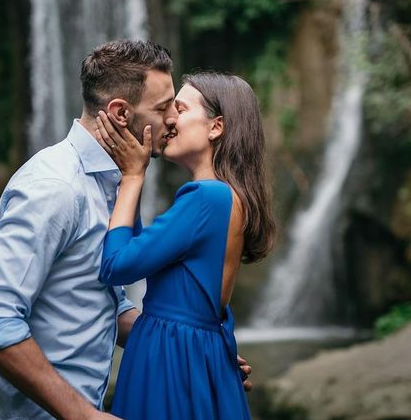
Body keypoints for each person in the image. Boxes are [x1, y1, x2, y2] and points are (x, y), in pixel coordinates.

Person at [0, 40, 178, 419]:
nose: (175, 118)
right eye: (163, 108)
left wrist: (195, 353)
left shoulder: (112, 184)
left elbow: (105, 305)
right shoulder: (56, 188)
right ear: (120, 113)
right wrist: (84, 415)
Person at [95, 72, 276, 420]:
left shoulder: (205, 198)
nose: (170, 119)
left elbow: (116, 264)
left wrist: (133, 176)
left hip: (170, 358)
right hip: (194, 349)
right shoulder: (227, 196)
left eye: (180, 108)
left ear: (216, 127)